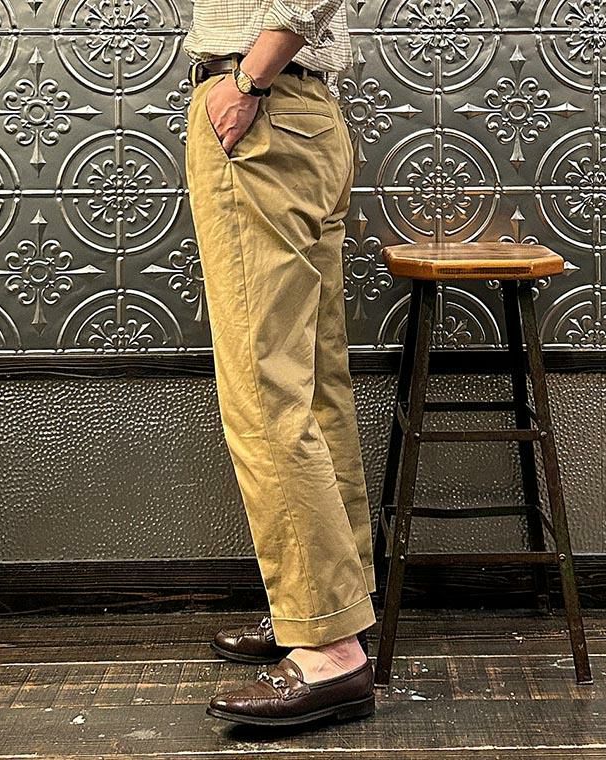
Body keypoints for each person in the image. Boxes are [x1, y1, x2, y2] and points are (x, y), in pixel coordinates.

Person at [183, 0, 377, 729]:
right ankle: (330, 608)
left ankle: (328, 649)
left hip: (261, 114)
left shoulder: (251, 90)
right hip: (305, 118)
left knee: (265, 392)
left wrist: (248, 80)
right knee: (315, 388)